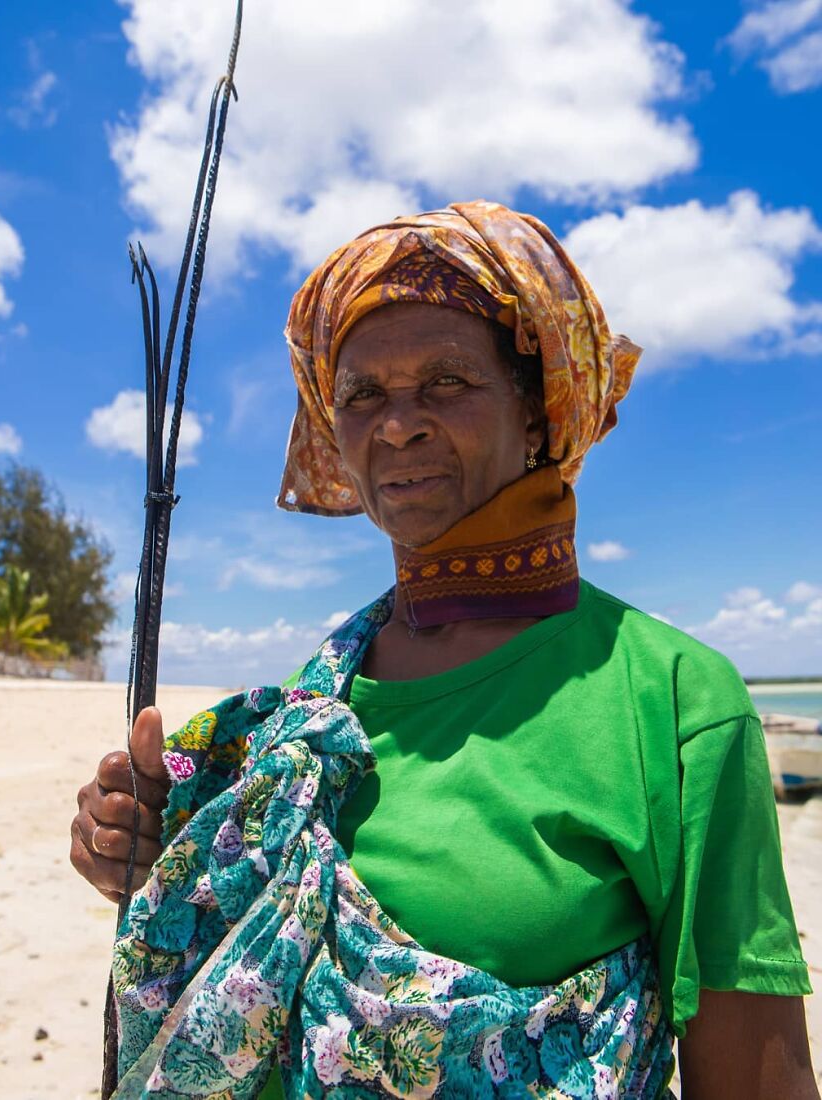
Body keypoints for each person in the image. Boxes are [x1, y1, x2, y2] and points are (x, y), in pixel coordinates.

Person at [71, 201, 818, 1099]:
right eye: (362, 395)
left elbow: (758, 1078)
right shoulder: (317, 705)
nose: (398, 424)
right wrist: (154, 850)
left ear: (536, 412)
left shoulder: (675, 701)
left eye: (447, 382)